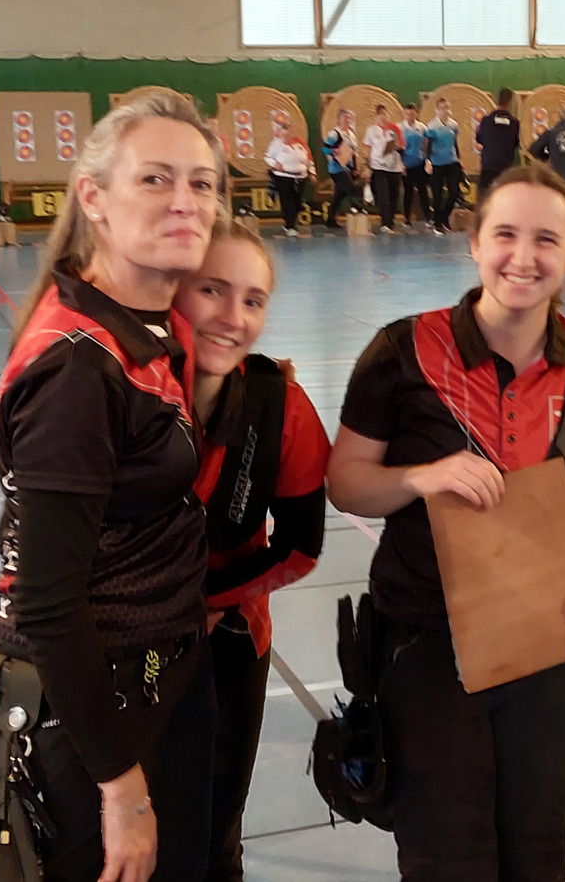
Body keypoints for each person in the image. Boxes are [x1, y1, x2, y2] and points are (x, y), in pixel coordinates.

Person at [327, 163, 565, 881]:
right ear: (473, 242)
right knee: (446, 856)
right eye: (504, 234)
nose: (523, 257)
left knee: (537, 848)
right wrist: (419, 477)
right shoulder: (402, 351)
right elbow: (346, 483)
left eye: (546, 239)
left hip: (552, 640)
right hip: (425, 643)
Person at [0, 87, 222, 882]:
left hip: (154, 673)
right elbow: (47, 602)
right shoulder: (78, 369)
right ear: (93, 198)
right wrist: (120, 790)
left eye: (202, 183)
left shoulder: (153, 323)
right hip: (93, 712)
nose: (186, 201)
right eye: (155, 179)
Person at [172, 223, 331, 882]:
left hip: (229, 641)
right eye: (212, 290)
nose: (233, 317)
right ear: (173, 289)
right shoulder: (121, 392)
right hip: (124, 643)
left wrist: (210, 603)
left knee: (214, 836)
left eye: (253, 300)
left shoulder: (280, 409)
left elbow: (301, 548)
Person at [264, 120, 311, 238]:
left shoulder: (300, 144)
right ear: (281, 134)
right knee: (287, 202)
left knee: (298, 203)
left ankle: (289, 221)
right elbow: (267, 157)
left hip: (300, 177)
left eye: (289, 134)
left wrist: (311, 171)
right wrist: (275, 164)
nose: (286, 137)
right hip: (283, 177)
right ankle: (290, 226)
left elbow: (308, 159)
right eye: (284, 134)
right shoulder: (276, 144)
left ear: (292, 133)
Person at [363, 104, 405, 233]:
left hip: (394, 167)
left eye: (385, 115)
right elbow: (367, 148)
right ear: (376, 117)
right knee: (383, 195)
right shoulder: (371, 130)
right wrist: (367, 166)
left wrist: (395, 146)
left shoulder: (395, 128)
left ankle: (390, 221)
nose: (383, 118)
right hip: (378, 166)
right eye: (380, 115)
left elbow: (402, 145)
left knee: (394, 196)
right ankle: (385, 223)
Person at [424, 98, 463, 235]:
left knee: (454, 192)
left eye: (447, 108)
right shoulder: (432, 126)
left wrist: (458, 158)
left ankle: (444, 217)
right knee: (437, 195)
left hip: (451, 161)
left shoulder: (453, 125)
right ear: (437, 110)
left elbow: (454, 142)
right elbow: (428, 145)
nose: (445, 111)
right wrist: (428, 160)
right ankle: (438, 223)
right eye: (442, 108)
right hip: (437, 163)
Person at [475, 88, 520, 197]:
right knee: (504, 195)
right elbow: (515, 142)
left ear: (496, 100)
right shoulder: (514, 122)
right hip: (505, 165)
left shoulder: (487, 120)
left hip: (488, 163)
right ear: (509, 102)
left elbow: (479, 138)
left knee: (485, 195)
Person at [322, 108, 361, 229]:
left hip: (348, 168)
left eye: (349, 118)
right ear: (339, 119)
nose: (348, 120)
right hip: (336, 168)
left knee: (340, 195)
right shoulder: (334, 134)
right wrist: (333, 151)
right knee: (352, 189)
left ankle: (330, 219)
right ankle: (358, 210)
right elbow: (324, 149)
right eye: (345, 118)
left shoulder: (351, 135)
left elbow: (354, 153)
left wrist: (355, 168)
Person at [399, 103, 431, 228]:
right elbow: (396, 148)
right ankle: (407, 218)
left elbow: (426, 145)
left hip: (420, 163)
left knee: (423, 191)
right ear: (404, 114)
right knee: (408, 192)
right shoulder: (400, 128)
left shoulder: (422, 127)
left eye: (412, 114)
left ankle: (428, 217)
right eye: (407, 114)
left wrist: (427, 160)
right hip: (407, 165)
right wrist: (400, 164)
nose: (410, 116)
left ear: (416, 114)